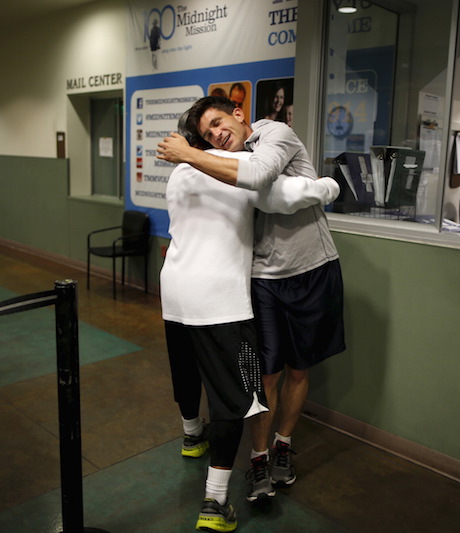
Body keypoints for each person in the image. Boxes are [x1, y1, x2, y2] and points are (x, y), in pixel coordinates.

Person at [157, 96, 346, 503]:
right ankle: (256, 459)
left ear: (240, 115)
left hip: (311, 268)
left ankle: (281, 446)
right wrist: (328, 187)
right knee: (263, 377)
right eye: (208, 133)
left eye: (220, 123)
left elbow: (262, 178)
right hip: (260, 279)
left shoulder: (272, 134)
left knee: (298, 370)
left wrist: (327, 186)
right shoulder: (220, 165)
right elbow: (267, 194)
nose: (217, 134)